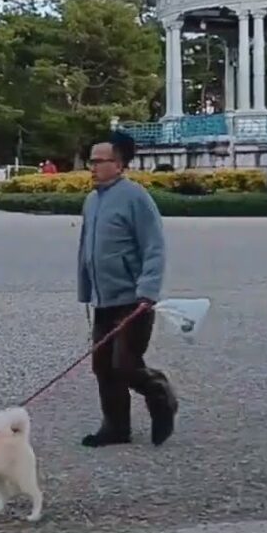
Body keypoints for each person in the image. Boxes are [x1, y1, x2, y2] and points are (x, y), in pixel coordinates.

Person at [76, 132, 178, 448]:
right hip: (104, 300)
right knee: (103, 366)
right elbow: (86, 248)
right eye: (90, 161)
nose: (91, 167)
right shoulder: (92, 200)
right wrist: (86, 288)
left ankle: (161, 393)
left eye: (98, 161)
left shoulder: (136, 197)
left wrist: (148, 291)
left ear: (119, 164)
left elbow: (154, 247)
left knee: (127, 365)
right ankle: (116, 427)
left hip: (133, 300)